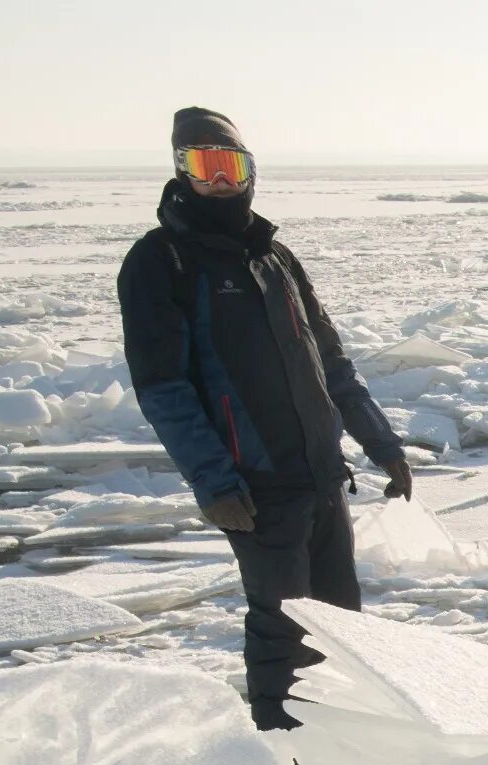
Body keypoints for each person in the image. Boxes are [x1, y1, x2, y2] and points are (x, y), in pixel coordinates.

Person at [118, 108, 413, 730]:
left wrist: (380, 443)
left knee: (340, 619)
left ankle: (350, 742)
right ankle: (283, 751)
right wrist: (216, 483)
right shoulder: (161, 261)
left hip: (320, 474)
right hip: (254, 483)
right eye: (205, 166)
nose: (220, 181)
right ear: (182, 172)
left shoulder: (275, 258)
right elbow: (163, 387)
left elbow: (330, 362)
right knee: (283, 621)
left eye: (231, 165)